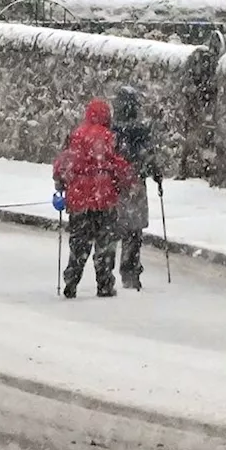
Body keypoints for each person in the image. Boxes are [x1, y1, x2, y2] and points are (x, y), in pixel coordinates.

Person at [53, 98, 137, 298]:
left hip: (80, 200)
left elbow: (64, 162)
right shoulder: (109, 137)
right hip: (104, 198)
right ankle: (105, 282)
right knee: (105, 244)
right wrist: (127, 180)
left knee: (79, 243)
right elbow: (117, 164)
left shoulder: (75, 136)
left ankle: (72, 279)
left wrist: (61, 181)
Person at [110, 86, 163, 290]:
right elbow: (148, 158)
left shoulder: (111, 132)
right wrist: (156, 174)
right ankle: (130, 271)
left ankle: (106, 269)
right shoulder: (140, 132)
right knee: (133, 231)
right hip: (135, 186)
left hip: (115, 186)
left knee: (114, 227)